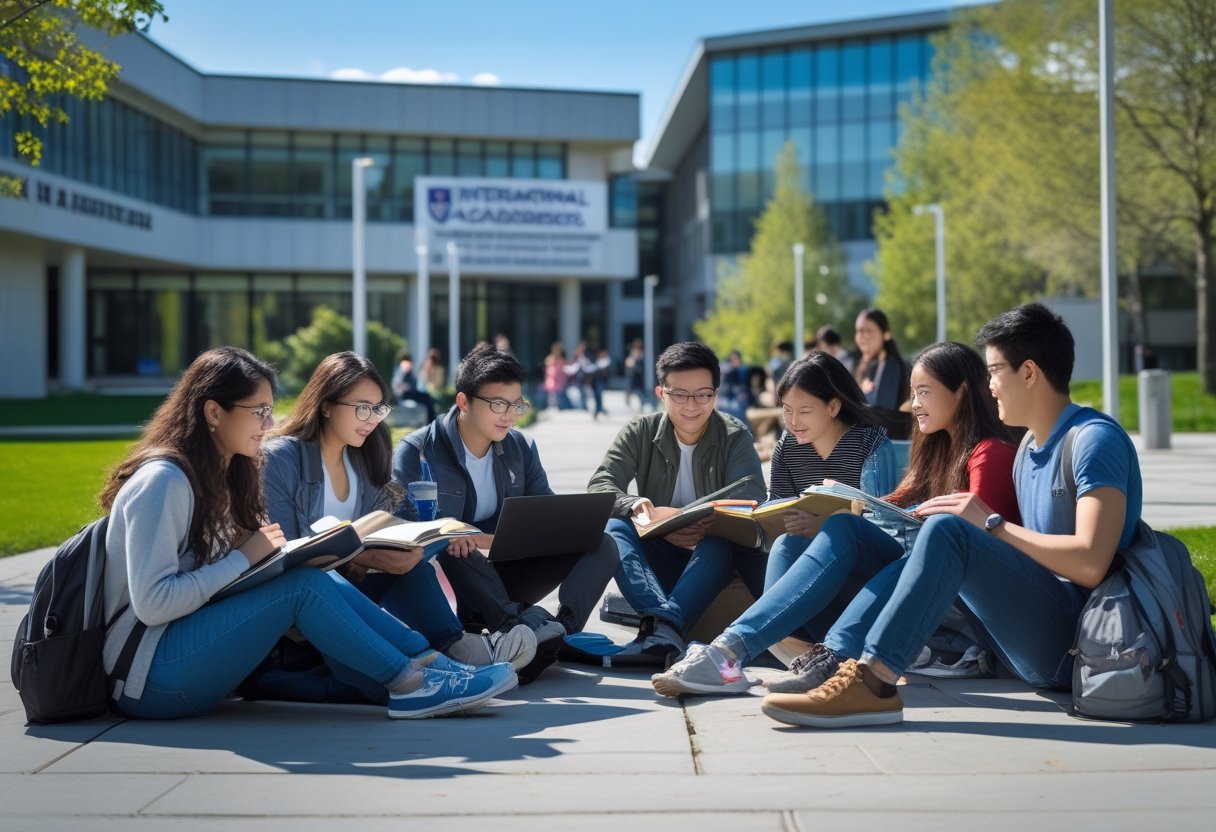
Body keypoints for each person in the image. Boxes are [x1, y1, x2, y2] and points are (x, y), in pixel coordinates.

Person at [761, 303, 1142, 728]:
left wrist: (991, 525)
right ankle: (813, 655)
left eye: (994, 371)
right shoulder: (1029, 451)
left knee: (950, 529)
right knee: (860, 530)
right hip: (1018, 637)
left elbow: (1091, 563)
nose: (989, 385)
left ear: (1029, 372)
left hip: (1082, 645)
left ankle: (871, 683)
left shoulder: (1094, 440)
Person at [100, 347, 516, 721]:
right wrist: (246, 558)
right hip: (151, 677)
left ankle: (431, 665)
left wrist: (266, 560)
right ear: (213, 412)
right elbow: (154, 604)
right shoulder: (164, 481)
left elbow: (224, 586)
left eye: (270, 409)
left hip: (199, 655)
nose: (269, 423)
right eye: (258, 411)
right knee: (302, 585)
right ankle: (412, 684)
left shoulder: (225, 478)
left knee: (306, 579)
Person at [652, 343, 1019, 697]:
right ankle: (762, 649)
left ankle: (760, 653)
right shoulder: (938, 448)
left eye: (923, 392)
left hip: (956, 601)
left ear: (961, 392)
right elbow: (897, 508)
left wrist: (853, 515)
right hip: (909, 579)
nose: (914, 404)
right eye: (913, 392)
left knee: (845, 527)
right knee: (792, 540)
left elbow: (968, 545)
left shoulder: (986, 453)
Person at [262, 351, 536, 674]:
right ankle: (441, 663)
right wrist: (360, 556)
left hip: (354, 589)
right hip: (307, 601)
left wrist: (393, 549)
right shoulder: (282, 459)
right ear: (325, 405)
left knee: (414, 559)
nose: (372, 419)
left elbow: (381, 528)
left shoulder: (365, 459)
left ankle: (457, 648)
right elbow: (286, 554)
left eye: (378, 409)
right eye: (362, 408)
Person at [393, 342, 620, 682]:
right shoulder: (418, 450)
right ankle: (516, 630)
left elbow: (545, 513)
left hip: (508, 568)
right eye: (498, 404)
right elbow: (412, 532)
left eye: (517, 405)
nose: (510, 415)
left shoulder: (520, 447)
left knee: (603, 542)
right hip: (457, 575)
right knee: (454, 539)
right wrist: (470, 535)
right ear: (463, 402)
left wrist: (572, 527)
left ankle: (557, 632)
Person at [588, 341, 767, 665]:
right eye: (680, 395)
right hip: (658, 558)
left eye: (703, 394)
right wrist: (638, 505)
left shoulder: (733, 433)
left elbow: (753, 489)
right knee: (613, 526)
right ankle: (665, 623)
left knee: (721, 539)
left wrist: (683, 517)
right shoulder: (640, 431)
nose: (692, 406)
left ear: (715, 392)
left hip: (713, 560)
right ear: (661, 393)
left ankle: (659, 630)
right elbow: (600, 486)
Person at [853, 309, 911, 440]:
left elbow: (883, 412)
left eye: (867, 331)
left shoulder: (891, 365)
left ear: (886, 334)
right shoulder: (868, 365)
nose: (860, 336)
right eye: (858, 331)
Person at [390, 349, 436, 423]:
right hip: (406, 394)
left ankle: (431, 420)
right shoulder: (404, 367)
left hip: (409, 393)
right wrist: (404, 387)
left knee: (427, 398)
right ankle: (432, 420)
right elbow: (399, 385)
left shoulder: (401, 369)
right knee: (427, 398)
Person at [543, 342, 571, 410]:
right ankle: (552, 408)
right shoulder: (549, 359)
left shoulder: (562, 360)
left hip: (560, 381)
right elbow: (547, 370)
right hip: (551, 381)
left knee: (559, 397)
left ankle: (558, 407)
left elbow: (565, 370)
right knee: (552, 397)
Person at [623, 339, 646, 411]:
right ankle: (628, 401)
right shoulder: (632, 354)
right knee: (631, 390)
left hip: (637, 376)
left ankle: (641, 404)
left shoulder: (641, 354)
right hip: (632, 376)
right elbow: (628, 363)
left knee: (639, 392)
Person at [591, 347, 612, 419]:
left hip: (600, 381)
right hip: (594, 381)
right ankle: (599, 410)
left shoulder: (606, 360)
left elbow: (601, 367)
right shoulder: (596, 360)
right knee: (596, 396)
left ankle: (599, 410)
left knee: (598, 394)